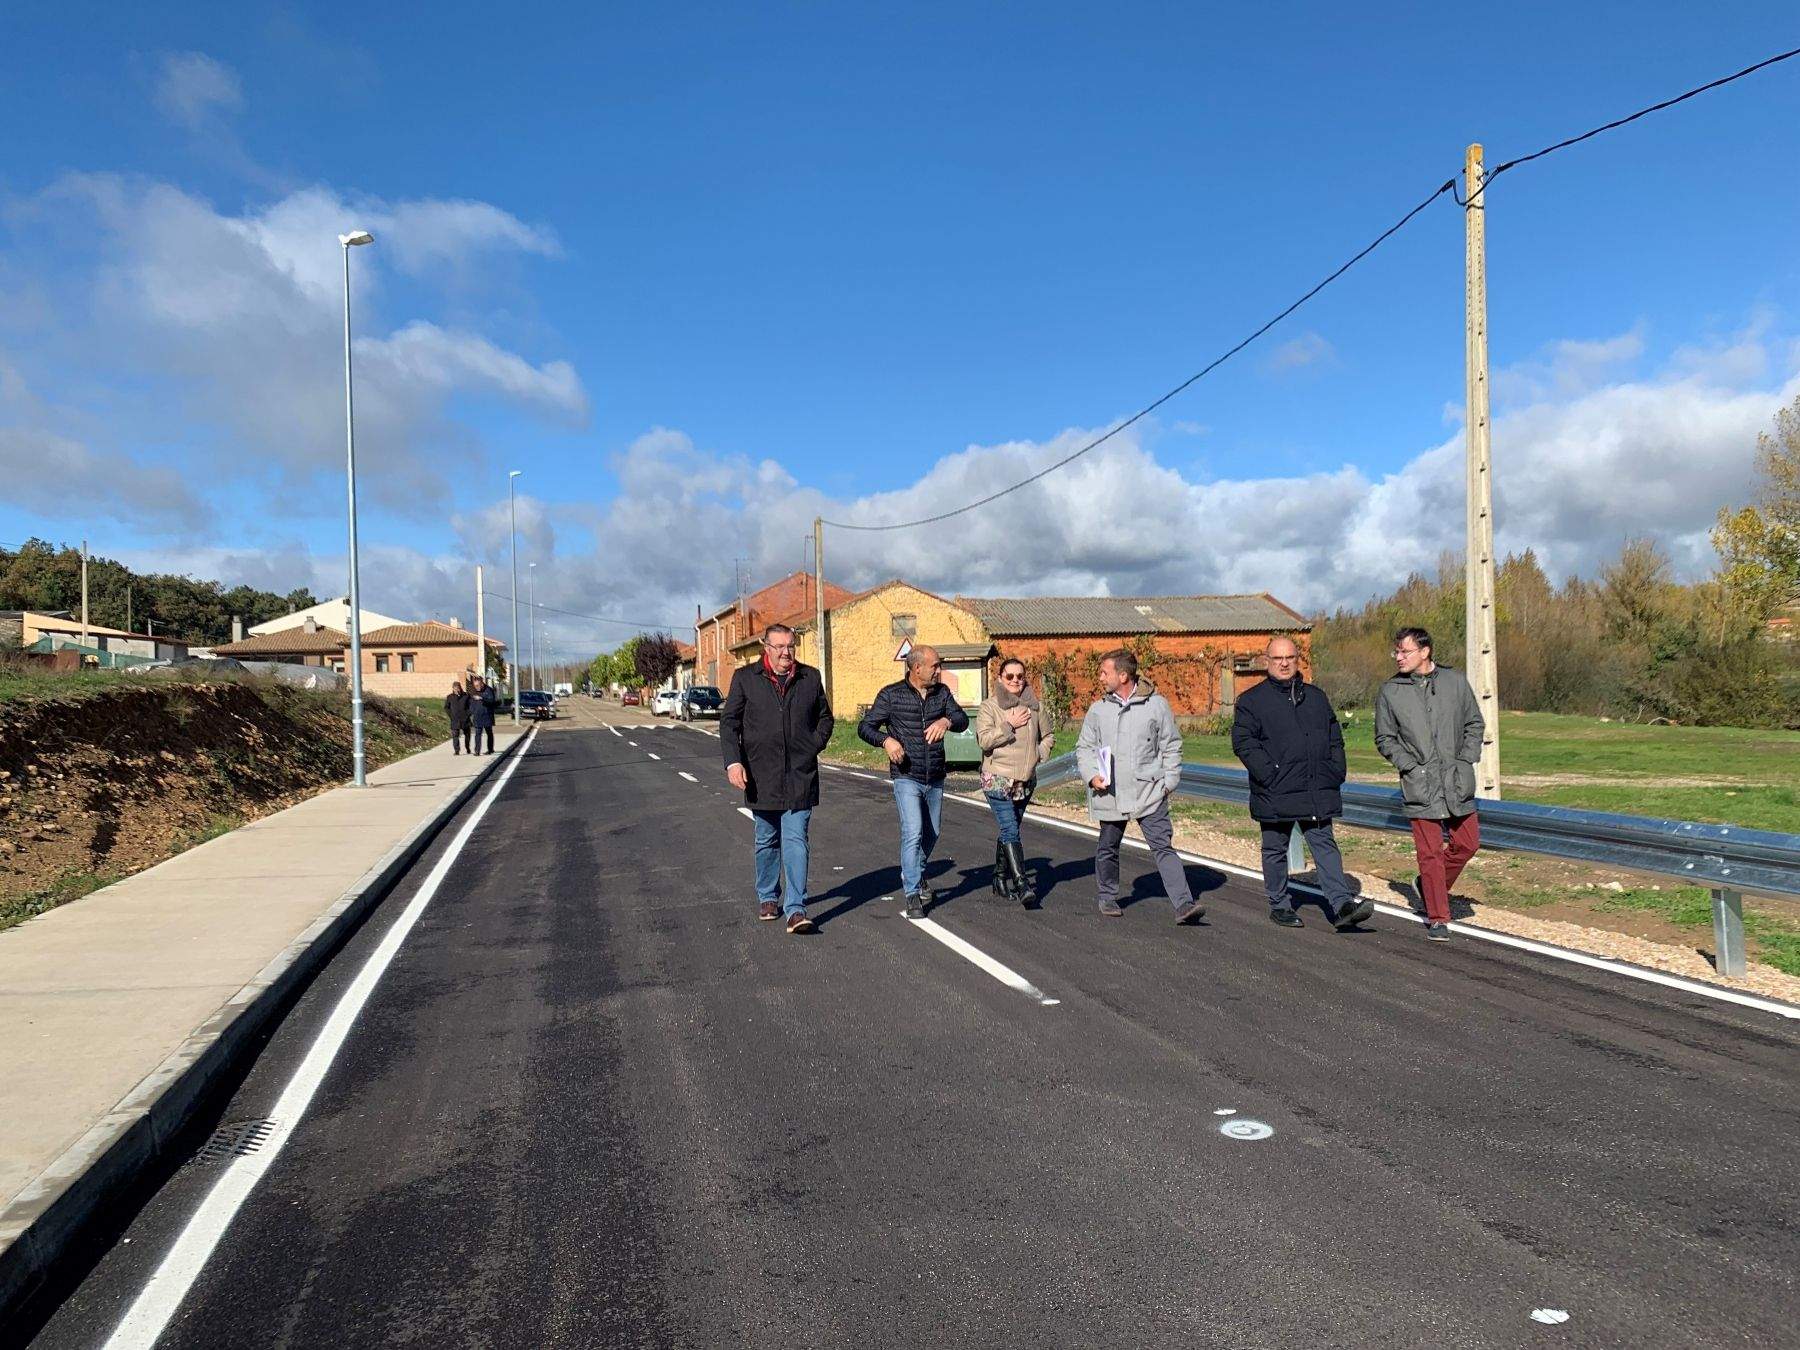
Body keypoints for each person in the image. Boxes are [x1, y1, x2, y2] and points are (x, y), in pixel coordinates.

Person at [1230, 637, 1376, 931]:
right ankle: (1280, 904)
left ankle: (1342, 904)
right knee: (1275, 848)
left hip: (1316, 787)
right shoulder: (1252, 701)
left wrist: (1336, 770)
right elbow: (1243, 742)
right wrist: (1270, 774)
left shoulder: (1316, 697)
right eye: (1277, 658)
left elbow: (1334, 737)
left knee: (1324, 845)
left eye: (1290, 657)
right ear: (1266, 661)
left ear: (1298, 660)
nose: (1284, 663)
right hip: (1275, 790)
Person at [1076, 650, 1206, 924]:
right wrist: (1091, 776)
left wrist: (1169, 782)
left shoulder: (1156, 705)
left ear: (1123, 675)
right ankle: (1107, 895)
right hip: (1110, 792)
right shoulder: (1098, 709)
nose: (1100, 678)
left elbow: (1171, 744)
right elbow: (1085, 747)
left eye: (1104, 672)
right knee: (1108, 846)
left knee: (1163, 846)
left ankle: (1184, 904)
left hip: (1150, 791)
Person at [1374, 626, 1486, 943]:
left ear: (1424, 652)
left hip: (1456, 780)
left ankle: (1428, 885)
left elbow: (1474, 722)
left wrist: (1466, 759)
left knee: (1468, 843)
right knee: (1430, 854)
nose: (1398, 657)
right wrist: (1409, 764)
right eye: (1396, 651)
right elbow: (1384, 738)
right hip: (1419, 784)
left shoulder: (1455, 682)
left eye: (1404, 651)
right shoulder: (1390, 691)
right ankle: (1438, 916)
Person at [721, 623, 834, 935]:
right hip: (761, 774)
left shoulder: (810, 677)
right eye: (780, 647)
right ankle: (768, 897)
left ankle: (796, 909)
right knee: (766, 837)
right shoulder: (746, 679)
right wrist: (734, 762)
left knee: (797, 838)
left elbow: (825, 718)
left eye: (791, 646)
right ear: (766, 648)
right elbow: (729, 722)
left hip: (800, 773)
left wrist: (814, 743)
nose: (787, 653)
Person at [858, 646, 969, 919]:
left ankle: (915, 873)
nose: (939, 670)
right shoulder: (891, 694)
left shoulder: (941, 693)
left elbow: (963, 720)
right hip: (906, 775)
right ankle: (912, 894)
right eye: (935, 665)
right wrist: (887, 740)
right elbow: (865, 727)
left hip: (936, 776)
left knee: (932, 832)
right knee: (913, 831)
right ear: (916, 668)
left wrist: (946, 720)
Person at [975, 657, 1055, 907]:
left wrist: (1039, 754)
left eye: (1020, 676)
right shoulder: (990, 707)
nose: (1015, 681)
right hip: (997, 777)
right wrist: (1008, 724)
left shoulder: (1035, 706)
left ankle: (999, 878)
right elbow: (984, 741)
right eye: (1009, 676)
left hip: (1025, 780)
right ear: (1000, 678)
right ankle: (1022, 884)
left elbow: (1049, 735)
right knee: (1010, 828)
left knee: (1010, 829)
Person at [468, 675, 498, 755]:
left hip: (487, 715)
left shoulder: (489, 690)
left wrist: (482, 699)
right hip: (477, 716)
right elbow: (471, 703)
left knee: (489, 732)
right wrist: (472, 711)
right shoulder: (473, 691)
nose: (476, 687)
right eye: (475, 686)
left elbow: (492, 701)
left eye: (478, 685)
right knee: (478, 733)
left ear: (482, 683)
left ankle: (490, 749)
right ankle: (477, 751)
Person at [444, 679, 472, 755]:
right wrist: (451, 715)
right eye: (455, 688)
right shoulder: (450, 697)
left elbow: (471, 706)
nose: (457, 690)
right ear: (453, 689)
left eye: (458, 688)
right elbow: (446, 707)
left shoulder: (466, 696)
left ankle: (467, 747)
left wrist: (468, 714)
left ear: (460, 688)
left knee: (467, 735)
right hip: (455, 719)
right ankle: (457, 750)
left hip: (465, 719)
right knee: (455, 735)